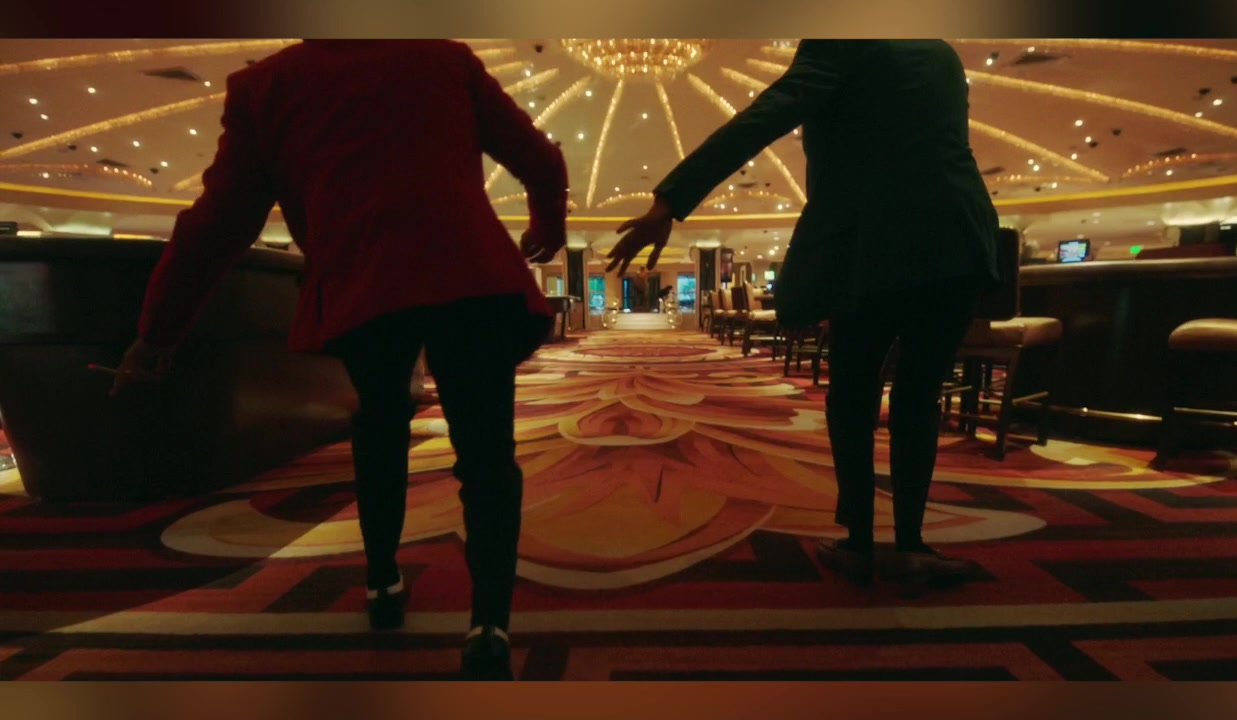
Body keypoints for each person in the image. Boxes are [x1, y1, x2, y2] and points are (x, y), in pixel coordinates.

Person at [109, 40, 568, 680]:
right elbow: (541, 161)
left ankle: (382, 585)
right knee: (487, 457)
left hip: (364, 285)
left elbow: (219, 223)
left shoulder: (265, 88)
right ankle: (488, 627)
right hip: (469, 277)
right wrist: (548, 226)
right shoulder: (441, 57)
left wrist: (158, 334)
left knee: (380, 428)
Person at [610, 41, 999, 591]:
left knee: (854, 390)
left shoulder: (839, 40)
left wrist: (671, 201)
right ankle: (911, 547)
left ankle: (860, 543)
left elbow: (763, 119)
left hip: (870, 244)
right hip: (958, 238)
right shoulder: (941, 53)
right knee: (920, 393)